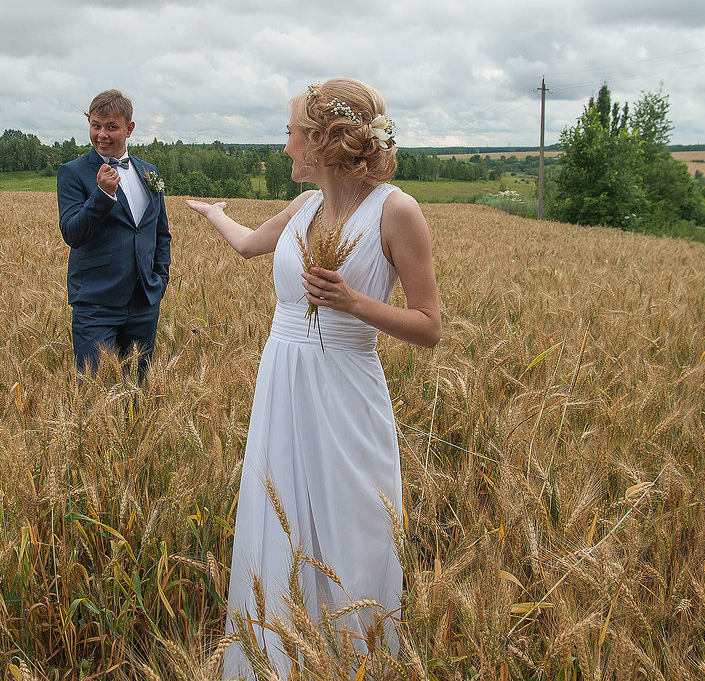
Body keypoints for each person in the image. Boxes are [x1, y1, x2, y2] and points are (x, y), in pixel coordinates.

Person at [186, 78, 441, 678]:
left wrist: (355, 302)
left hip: (347, 393)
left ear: (323, 141)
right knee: (280, 525)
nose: (285, 149)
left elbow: (430, 326)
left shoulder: (397, 210)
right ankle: (276, 660)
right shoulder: (304, 208)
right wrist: (215, 214)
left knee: (353, 529)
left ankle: (351, 660)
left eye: (291, 134)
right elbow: (250, 245)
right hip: (282, 385)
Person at [57, 89, 170, 379]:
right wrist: (102, 195)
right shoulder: (73, 173)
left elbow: (160, 233)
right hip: (96, 304)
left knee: (138, 393)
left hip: (144, 303)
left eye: (111, 127)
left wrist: (159, 281)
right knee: (94, 393)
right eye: (96, 126)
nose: (101, 135)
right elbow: (72, 233)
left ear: (129, 129)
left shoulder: (149, 173)